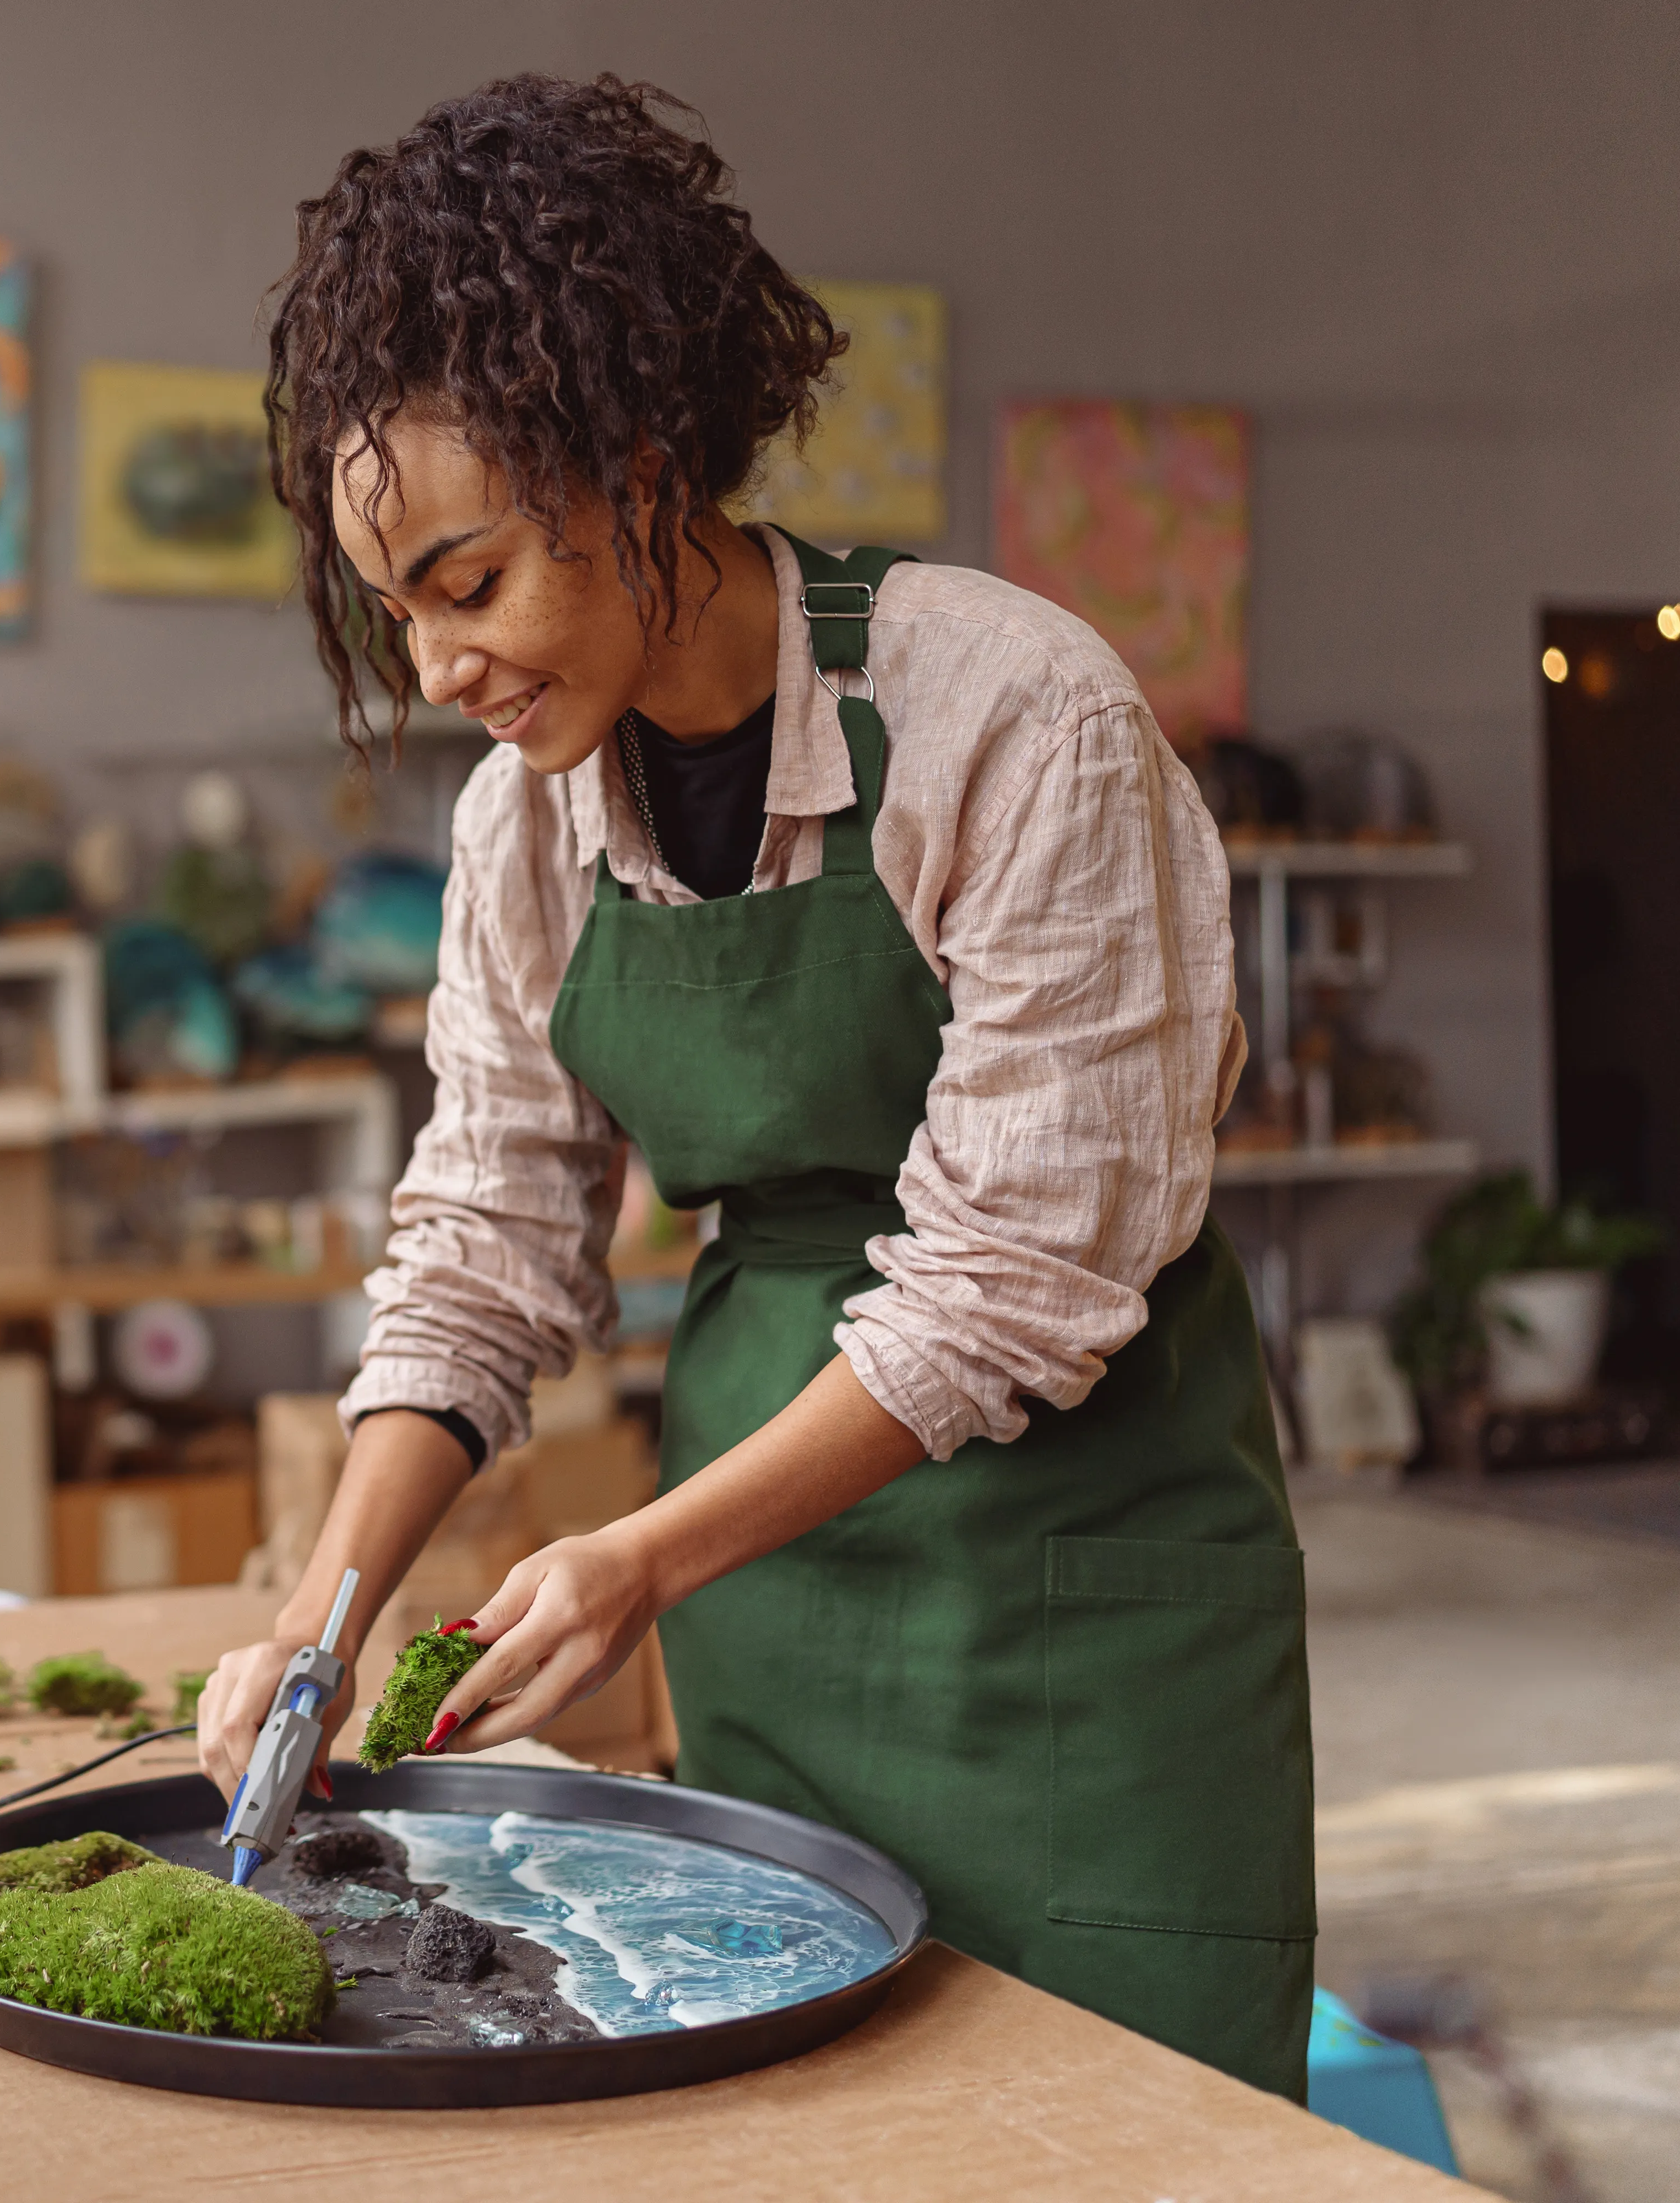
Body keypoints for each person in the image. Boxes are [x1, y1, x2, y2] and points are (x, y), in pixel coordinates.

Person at [194, 73, 1313, 2098]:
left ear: (635, 469)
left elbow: (1011, 1279)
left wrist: (642, 1554)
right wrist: (331, 1605)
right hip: (767, 1604)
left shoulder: (1008, 715)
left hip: (1083, 1600)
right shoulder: (524, 832)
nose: (436, 665)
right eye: (393, 612)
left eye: (469, 580)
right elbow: (487, 1243)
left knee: (1135, 2135)